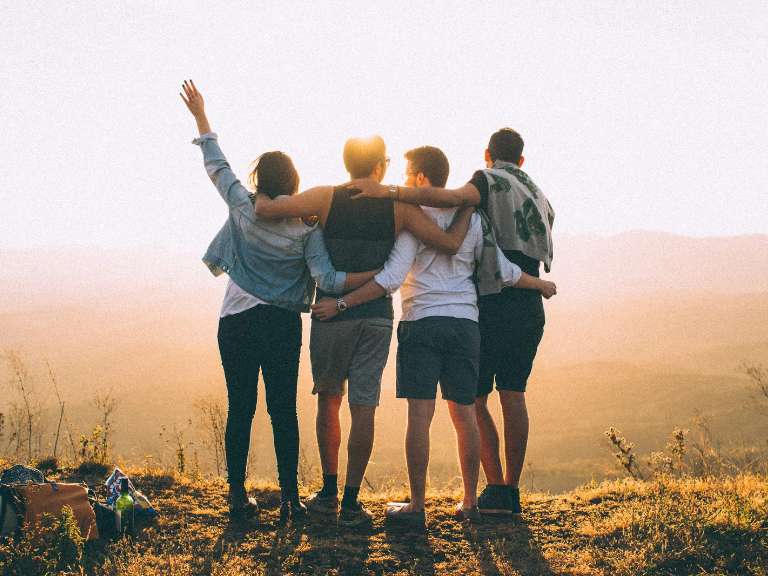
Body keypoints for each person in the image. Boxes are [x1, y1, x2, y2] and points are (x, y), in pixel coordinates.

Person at [311, 146, 556, 526]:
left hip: (421, 322)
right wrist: (538, 284)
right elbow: (502, 270)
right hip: (465, 324)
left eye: (410, 174)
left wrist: (342, 302)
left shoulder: (413, 220)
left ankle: (418, 507)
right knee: (465, 416)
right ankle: (471, 503)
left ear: (423, 179)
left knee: (419, 417)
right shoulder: (472, 219)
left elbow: (391, 279)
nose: (405, 181)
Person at [180, 80, 379, 523]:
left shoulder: (243, 206)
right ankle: (290, 500)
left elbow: (217, 166)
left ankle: (237, 496)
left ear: (258, 180)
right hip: (282, 324)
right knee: (282, 409)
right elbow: (326, 277)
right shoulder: (306, 227)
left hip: (235, 319)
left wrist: (201, 116)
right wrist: (378, 277)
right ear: (294, 182)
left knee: (240, 407)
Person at [255, 138, 473, 526]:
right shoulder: (399, 208)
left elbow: (270, 208)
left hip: (329, 315)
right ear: (378, 169)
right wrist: (470, 204)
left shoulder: (324, 198)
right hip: (375, 316)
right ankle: (352, 502)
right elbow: (449, 243)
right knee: (363, 406)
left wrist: (259, 199)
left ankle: (327, 491)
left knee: (328, 400)